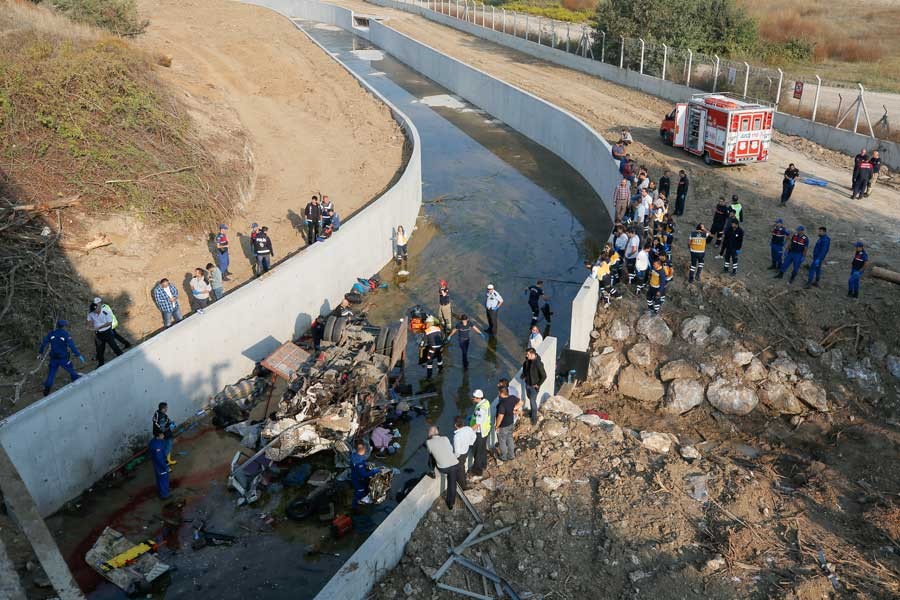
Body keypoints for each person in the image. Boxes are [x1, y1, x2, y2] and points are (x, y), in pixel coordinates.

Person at [38, 320, 84, 396]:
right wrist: (78, 355)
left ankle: (46, 390)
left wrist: (40, 352)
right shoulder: (65, 334)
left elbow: (43, 343)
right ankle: (75, 380)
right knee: (70, 369)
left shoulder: (51, 333)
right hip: (63, 358)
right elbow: (71, 345)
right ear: (64, 326)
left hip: (53, 358)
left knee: (51, 374)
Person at [426, 426, 459, 509]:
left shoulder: (428, 442)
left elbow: (430, 451)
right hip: (454, 464)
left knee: (431, 456)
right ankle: (451, 503)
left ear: (430, 434)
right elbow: (451, 449)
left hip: (443, 468)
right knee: (452, 484)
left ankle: (432, 471)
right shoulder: (445, 438)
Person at [87, 301, 122, 366]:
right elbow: (89, 320)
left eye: (96, 310)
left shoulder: (105, 312)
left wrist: (99, 327)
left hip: (107, 332)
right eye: (94, 311)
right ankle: (101, 364)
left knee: (114, 346)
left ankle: (122, 357)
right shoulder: (91, 313)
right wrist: (89, 326)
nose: (95, 312)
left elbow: (109, 323)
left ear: (98, 307)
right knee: (99, 350)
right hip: (99, 334)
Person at [350, 442, 382, 507]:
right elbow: (364, 474)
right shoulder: (359, 463)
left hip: (354, 474)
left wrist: (366, 463)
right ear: (362, 451)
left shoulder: (354, 455)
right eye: (364, 450)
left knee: (364, 487)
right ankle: (355, 506)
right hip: (357, 480)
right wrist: (374, 471)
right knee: (360, 491)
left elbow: (360, 462)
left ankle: (361, 498)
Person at [495, 386, 522, 461]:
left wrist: (497, 426)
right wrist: (513, 409)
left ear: (501, 393)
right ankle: (511, 455)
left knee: (502, 441)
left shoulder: (502, 404)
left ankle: (504, 457)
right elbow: (521, 402)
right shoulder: (512, 398)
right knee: (510, 439)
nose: (498, 393)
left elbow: (500, 416)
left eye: (498, 392)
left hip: (503, 426)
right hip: (511, 423)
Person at [469, 389, 491, 477]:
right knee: (482, 448)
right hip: (486, 430)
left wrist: (468, 432)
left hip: (480, 432)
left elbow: (478, 423)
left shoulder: (480, 409)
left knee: (477, 451)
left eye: (473, 397)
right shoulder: (486, 402)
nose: (472, 398)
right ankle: (484, 464)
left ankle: (477, 471)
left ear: (478, 398)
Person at [522, 348, 547, 425]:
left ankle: (534, 418)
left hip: (534, 386)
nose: (526, 355)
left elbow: (544, 376)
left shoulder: (538, 364)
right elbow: (524, 367)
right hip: (527, 384)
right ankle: (533, 413)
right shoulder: (527, 360)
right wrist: (524, 375)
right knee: (530, 398)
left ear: (532, 354)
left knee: (532, 401)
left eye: (528, 354)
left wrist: (538, 384)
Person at [452, 417, 476, 489]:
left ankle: (463, 485)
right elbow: (474, 436)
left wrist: (454, 457)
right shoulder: (468, 429)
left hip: (459, 455)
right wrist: (470, 443)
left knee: (460, 469)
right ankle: (462, 481)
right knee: (462, 466)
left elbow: (456, 451)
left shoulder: (457, 436)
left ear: (455, 425)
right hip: (466, 450)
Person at [149, 431, 171, 500]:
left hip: (156, 463)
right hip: (160, 465)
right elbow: (159, 458)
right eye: (162, 434)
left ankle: (160, 490)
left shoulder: (153, 441)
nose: (163, 435)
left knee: (159, 478)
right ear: (158, 435)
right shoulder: (157, 446)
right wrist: (166, 467)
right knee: (164, 479)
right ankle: (164, 495)